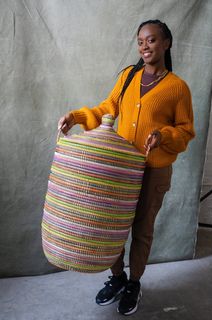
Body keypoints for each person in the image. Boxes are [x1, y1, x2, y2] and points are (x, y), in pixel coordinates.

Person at [58, 19, 195, 316]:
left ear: (166, 43)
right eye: (141, 41)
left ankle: (134, 282)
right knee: (112, 225)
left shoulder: (177, 88)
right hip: (119, 168)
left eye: (152, 40)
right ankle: (117, 278)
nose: (145, 46)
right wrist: (77, 116)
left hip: (154, 171)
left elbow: (186, 131)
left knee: (142, 229)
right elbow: (107, 109)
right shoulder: (128, 77)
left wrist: (163, 135)